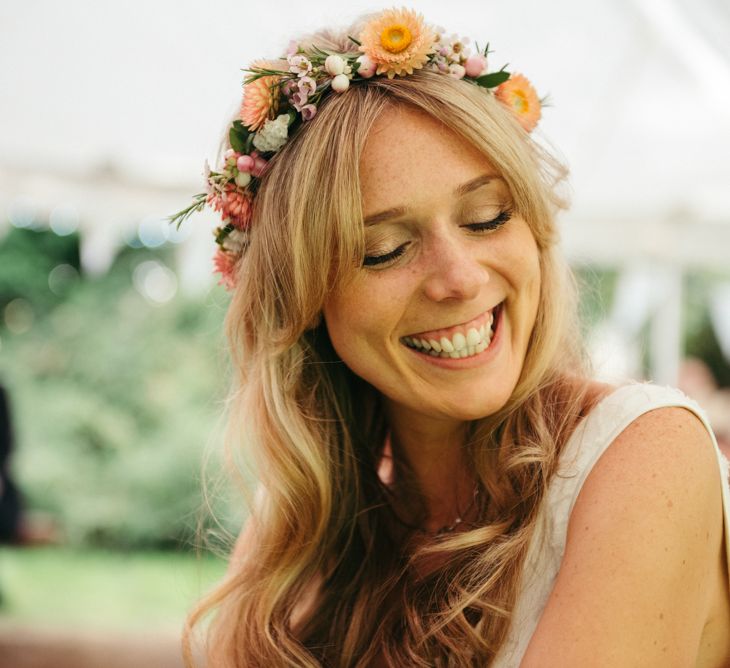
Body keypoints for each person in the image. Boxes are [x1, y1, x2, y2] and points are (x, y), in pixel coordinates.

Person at [173, 8, 730, 666]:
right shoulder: (299, 527)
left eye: (487, 216)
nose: (460, 279)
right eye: (382, 249)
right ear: (306, 299)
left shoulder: (641, 452)